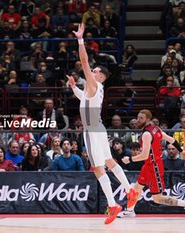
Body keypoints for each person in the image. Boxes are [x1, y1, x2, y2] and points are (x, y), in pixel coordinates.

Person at [66, 24, 138, 224]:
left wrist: (80, 40)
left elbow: (83, 61)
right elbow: (84, 99)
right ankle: (129, 189)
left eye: (95, 70)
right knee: (110, 162)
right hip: (99, 127)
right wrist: (74, 87)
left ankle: (113, 204)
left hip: (91, 130)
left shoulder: (93, 82)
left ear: (99, 75)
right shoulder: (96, 89)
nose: (92, 70)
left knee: (98, 169)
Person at [119, 109, 185, 218]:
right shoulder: (156, 128)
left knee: (158, 198)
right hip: (148, 165)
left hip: (154, 166)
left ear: (148, 119)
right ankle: (130, 211)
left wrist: (129, 159)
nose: (138, 120)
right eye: (138, 117)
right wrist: (181, 151)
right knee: (137, 188)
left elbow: (144, 155)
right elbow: (171, 139)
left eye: (141, 118)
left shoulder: (146, 134)